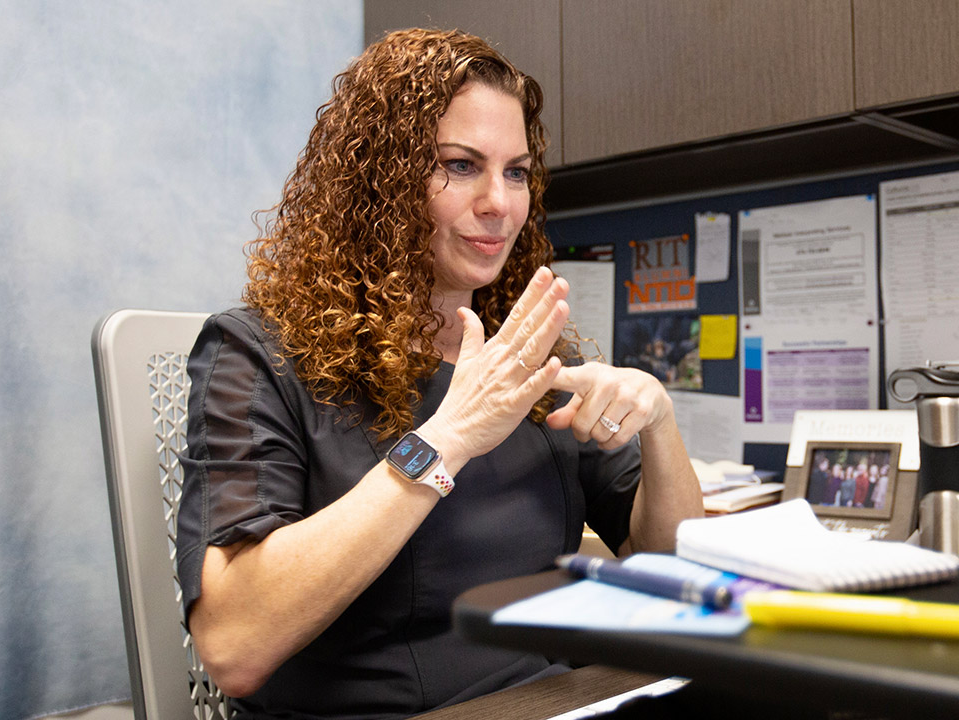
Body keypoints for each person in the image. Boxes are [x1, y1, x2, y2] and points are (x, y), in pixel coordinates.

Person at [176, 28, 703, 719]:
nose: (500, 203)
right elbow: (235, 645)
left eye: (516, 172)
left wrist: (659, 421)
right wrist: (448, 437)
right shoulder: (258, 354)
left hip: (557, 702)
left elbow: (671, 569)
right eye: (460, 166)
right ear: (381, 181)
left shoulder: (534, 359)